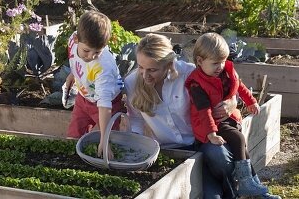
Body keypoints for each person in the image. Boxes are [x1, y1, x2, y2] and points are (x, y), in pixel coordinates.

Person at [124, 33, 238, 199]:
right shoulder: (132, 83)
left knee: (219, 157)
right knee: (211, 196)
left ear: (169, 64)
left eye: (152, 70)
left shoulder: (188, 73)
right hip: (171, 150)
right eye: (141, 67)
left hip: (202, 141)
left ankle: (232, 188)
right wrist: (139, 146)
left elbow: (227, 82)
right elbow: (135, 118)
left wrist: (231, 101)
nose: (145, 74)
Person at [185, 32, 281, 199]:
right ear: (200, 61)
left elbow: (239, 86)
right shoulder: (197, 83)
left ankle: (252, 185)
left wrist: (251, 101)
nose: (221, 66)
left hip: (227, 119)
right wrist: (211, 134)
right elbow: (203, 111)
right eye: (215, 63)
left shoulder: (224, 72)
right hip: (210, 125)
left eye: (223, 61)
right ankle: (247, 183)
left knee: (241, 145)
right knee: (239, 139)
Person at [62, 10, 123, 158]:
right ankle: (74, 162)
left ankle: (107, 160)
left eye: (97, 52)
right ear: (76, 39)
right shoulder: (72, 40)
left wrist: (105, 139)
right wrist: (73, 74)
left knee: (107, 142)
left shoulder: (104, 67)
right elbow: (74, 59)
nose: (91, 56)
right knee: (74, 134)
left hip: (108, 103)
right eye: (86, 51)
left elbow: (104, 105)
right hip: (83, 98)